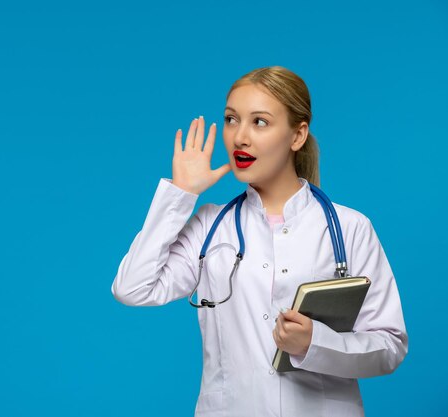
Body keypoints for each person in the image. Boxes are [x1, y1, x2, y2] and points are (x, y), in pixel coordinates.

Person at [110, 65, 408, 417]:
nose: (239, 137)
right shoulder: (210, 225)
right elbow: (132, 288)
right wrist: (181, 193)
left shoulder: (349, 227)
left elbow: (389, 346)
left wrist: (315, 344)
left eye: (260, 122)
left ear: (297, 136)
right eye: (232, 119)